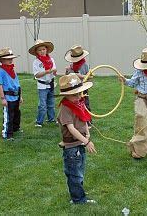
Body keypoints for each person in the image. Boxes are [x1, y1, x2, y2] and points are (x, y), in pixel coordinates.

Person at [57, 73, 97, 204]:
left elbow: (84, 118)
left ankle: (78, 191)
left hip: (80, 143)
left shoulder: (78, 103)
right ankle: (78, 199)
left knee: (79, 170)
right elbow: (71, 128)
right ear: (66, 95)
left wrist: (87, 132)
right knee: (75, 173)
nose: (79, 96)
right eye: (75, 94)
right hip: (72, 147)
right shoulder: (65, 108)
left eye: (80, 93)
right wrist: (87, 141)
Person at [0, 47, 23, 141]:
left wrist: (20, 96)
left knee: (17, 113)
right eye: (8, 59)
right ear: (2, 60)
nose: (10, 60)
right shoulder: (1, 72)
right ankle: (7, 134)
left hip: (16, 96)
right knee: (9, 116)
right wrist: (3, 98)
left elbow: (17, 83)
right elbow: (0, 85)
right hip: (8, 98)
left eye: (11, 58)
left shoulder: (12, 69)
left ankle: (15, 128)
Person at [29, 39, 57, 127]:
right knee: (42, 105)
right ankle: (39, 121)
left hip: (51, 84)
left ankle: (51, 118)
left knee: (51, 103)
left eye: (43, 49)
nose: (42, 51)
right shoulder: (36, 62)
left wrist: (54, 71)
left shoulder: (51, 59)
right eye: (39, 50)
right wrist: (46, 71)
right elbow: (37, 75)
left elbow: (54, 72)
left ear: (46, 49)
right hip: (42, 86)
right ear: (36, 52)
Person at [64, 45, 92, 115]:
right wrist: (68, 71)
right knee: (75, 102)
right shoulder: (72, 65)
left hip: (83, 87)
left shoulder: (84, 65)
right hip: (74, 87)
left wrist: (79, 75)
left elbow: (88, 76)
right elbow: (67, 76)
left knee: (85, 102)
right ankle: (77, 117)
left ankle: (88, 120)